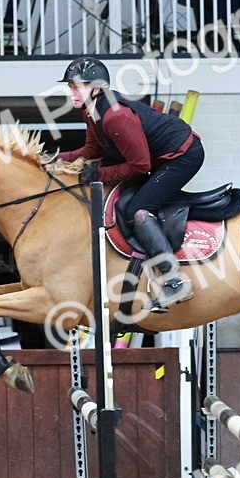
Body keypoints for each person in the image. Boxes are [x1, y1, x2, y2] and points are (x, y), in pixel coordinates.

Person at [50, 56, 202, 311]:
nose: (72, 91)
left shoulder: (115, 117)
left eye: (78, 86)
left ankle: (174, 281)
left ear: (96, 88)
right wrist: (53, 159)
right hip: (157, 158)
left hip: (182, 155)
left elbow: (140, 165)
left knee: (139, 212)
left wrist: (99, 175)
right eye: (70, 86)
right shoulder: (92, 111)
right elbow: (90, 149)